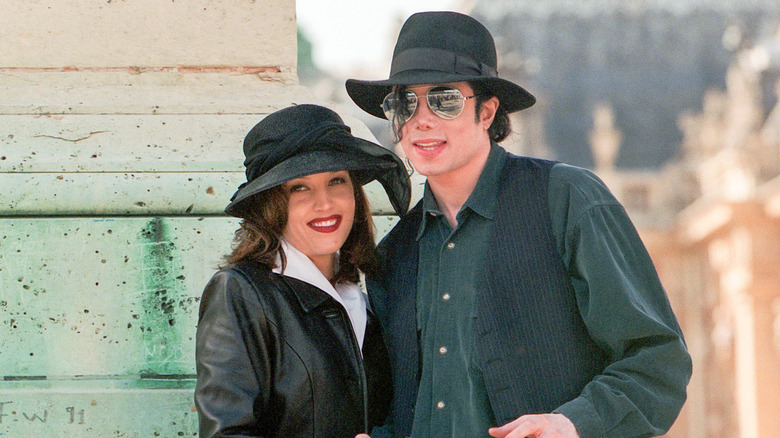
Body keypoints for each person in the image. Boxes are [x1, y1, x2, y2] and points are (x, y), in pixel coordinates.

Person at [346, 11, 692, 438]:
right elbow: (403, 404)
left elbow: (657, 361)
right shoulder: (394, 253)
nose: (421, 120)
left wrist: (572, 423)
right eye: (405, 103)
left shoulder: (567, 198)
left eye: (445, 99)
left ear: (488, 112)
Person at [194, 104, 411, 437]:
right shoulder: (240, 292)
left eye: (336, 180)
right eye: (299, 188)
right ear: (270, 204)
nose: (325, 203)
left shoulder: (371, 295)